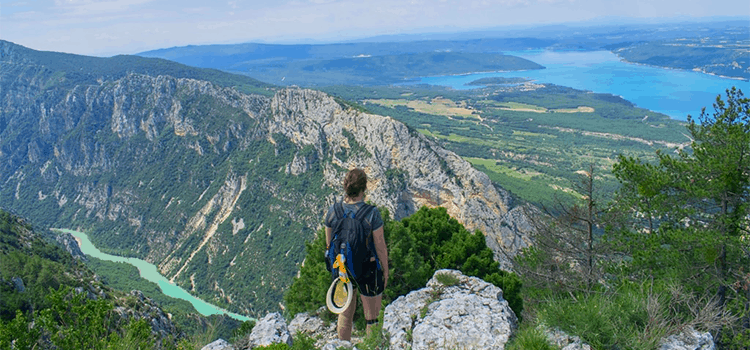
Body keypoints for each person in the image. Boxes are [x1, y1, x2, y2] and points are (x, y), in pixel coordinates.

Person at [324, 168, 389, 340]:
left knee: (345, 315)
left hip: (342, 269)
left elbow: (329, 243)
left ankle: (342, 346)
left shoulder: (333, 210)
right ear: (364, 188)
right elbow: (380, 245)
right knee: (372, 319)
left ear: (345, 187)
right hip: (367, 268)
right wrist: (386, 269)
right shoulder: (371, 214)